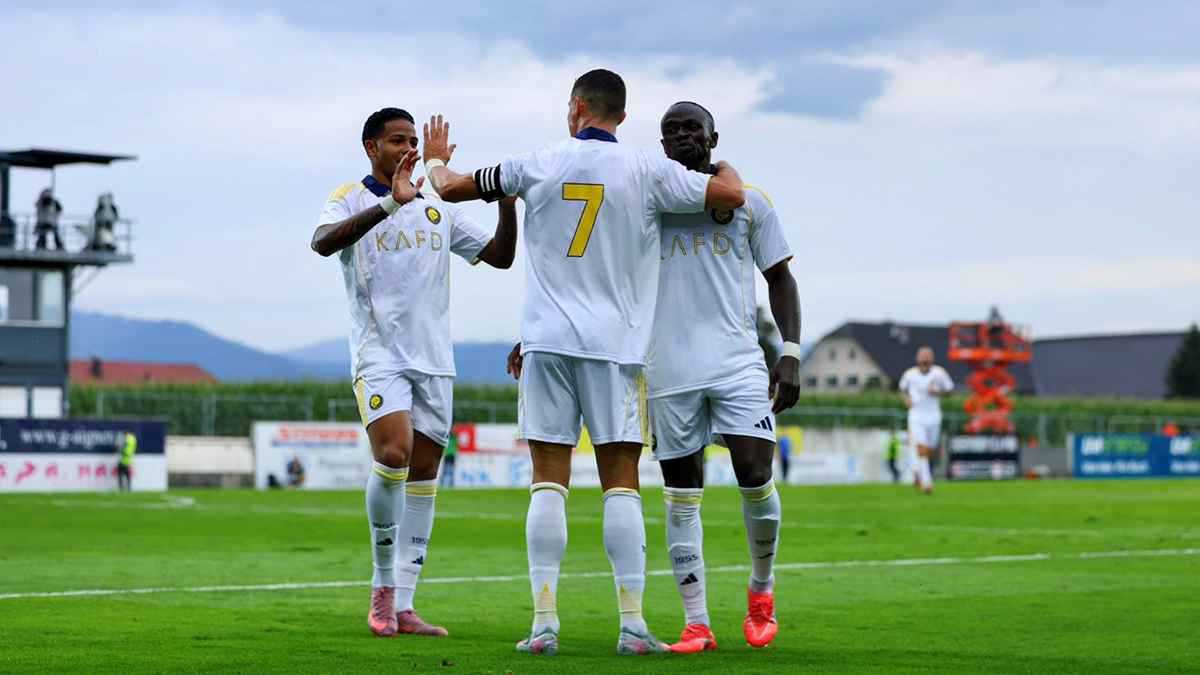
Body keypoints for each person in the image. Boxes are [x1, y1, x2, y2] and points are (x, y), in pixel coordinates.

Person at [423, 70, 745, 656]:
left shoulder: (537, 161)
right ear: (620, 114)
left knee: (548, 480)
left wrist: (437, 159)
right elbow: (731, 197)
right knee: (620, 483)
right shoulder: (649, 169)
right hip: (616, 349)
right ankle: (631, 625)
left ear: (576, 108)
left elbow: (448, 188)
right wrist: (722, 165)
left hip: (545, 343)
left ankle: (545, 623)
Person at [310, 107, 518, 639]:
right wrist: (387, 203)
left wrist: (507, 203)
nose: (408, 149)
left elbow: (499, 256)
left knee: (425, 473)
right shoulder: (351, 196)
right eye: (397, 140)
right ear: (370, 147)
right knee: (394, 454)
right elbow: (323, 242)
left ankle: (405, 603)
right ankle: (381, 589)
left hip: (434, 360)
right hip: (380, 354)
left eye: (412, 142)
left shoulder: (436, 204)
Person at [643, 101, 800, 653]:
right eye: (671, 130)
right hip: (668, 368)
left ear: (713, 137)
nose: (682, 135)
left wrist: (792, 352)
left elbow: (780, 277)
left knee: (755, 473)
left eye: (692, 127)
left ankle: (762, 589)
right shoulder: (647, 204)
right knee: (681, 493)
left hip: (736, 361)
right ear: (661, 145)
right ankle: (697, 623)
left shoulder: (750, 201)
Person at [898, 347, 953, 495]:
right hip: (916, 416)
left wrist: (937, 392)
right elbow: (902, 390)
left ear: (932, 359)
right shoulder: (909, 375)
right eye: (922, 358)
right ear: (917, 359)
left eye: (927, 358)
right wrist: (906, 400)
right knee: (921, 447)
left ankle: (916, 471)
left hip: (934, 416)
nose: (925, 361)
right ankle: (927, 483)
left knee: (930, 449)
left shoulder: (939, 373)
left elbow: (950, 390)